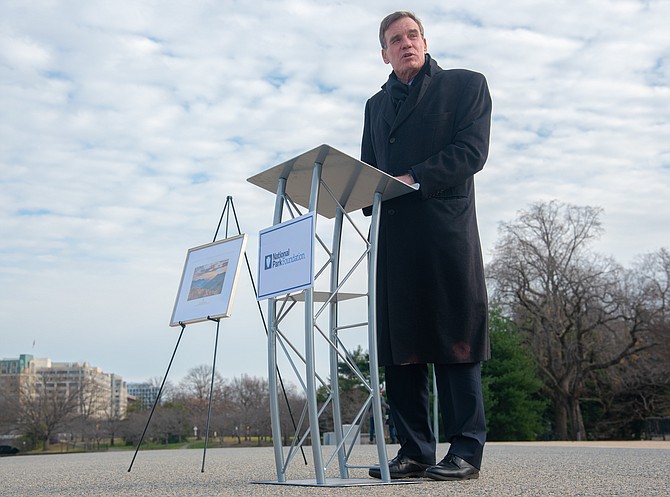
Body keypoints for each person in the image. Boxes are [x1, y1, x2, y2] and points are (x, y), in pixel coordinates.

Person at [362, 11, 491, 481]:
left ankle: (465, 452)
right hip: (393, 245)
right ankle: (414, 450)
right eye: (395, 40)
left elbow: (471, 152)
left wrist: (412, 178)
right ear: (384, 53)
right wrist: (355, 195)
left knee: (455, 341)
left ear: (425, 40)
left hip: (445, 235)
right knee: (401, 349)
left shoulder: (465, 85)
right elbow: (368, 168)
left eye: (412, 35)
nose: (405, 43)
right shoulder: (375, 107)